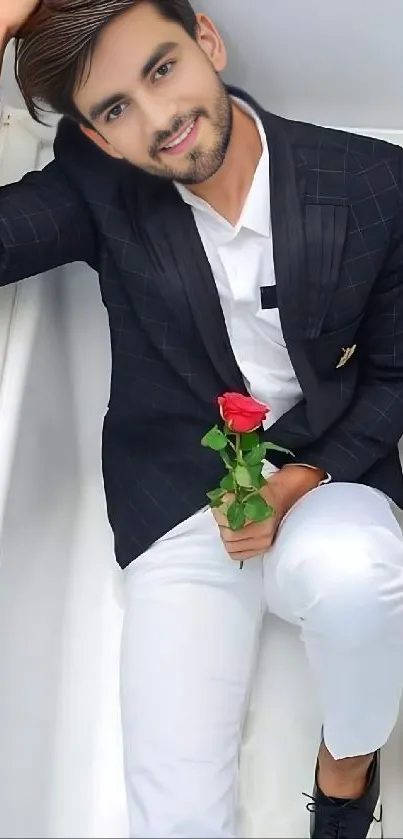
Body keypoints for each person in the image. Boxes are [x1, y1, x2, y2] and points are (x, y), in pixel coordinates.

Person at [2, 0, 403, 836]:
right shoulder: (97, 185)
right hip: (179, 497)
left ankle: (347, 769)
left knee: (358, 577)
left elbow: (396, 373)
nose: (161, 120)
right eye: (116, 109)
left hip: (324, 470)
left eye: (161, 69)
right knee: (175, 819)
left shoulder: (369, 182)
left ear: (206, 42)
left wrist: (296, 481)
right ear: (100, 137)